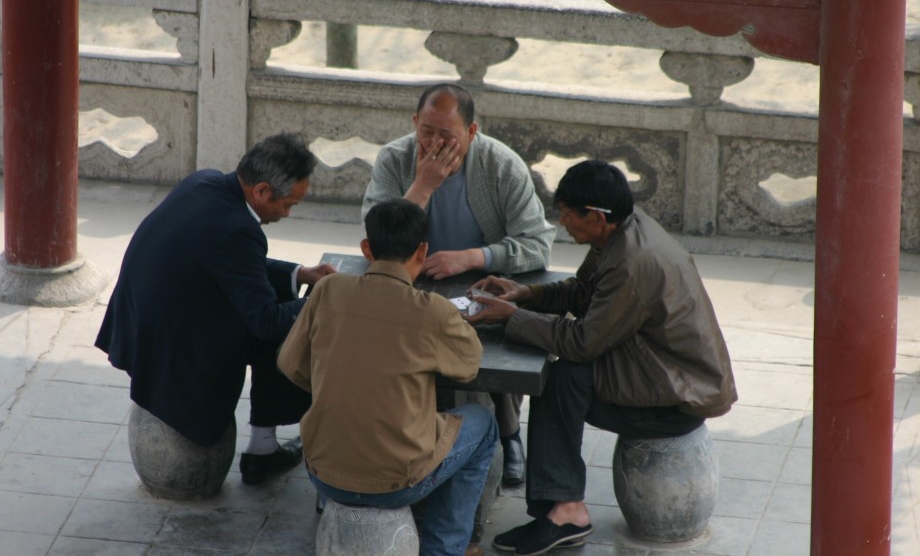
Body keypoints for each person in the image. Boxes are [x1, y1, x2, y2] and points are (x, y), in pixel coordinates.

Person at [467, 159, 738, 556]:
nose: (562, 223)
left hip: (675, 397)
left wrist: (513, 318)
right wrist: (526, 294)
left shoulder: (633, 263)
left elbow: (582, 341)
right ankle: (562, 506)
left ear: (594, 216)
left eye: (567, 215)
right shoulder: (622, 231)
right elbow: (583, 292)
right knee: (564, 373)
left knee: (561, 379)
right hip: (654, 367)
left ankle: (565, 511)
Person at [95, 133, 335, 486]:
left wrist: (300, 274)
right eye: (288, 204)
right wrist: (322, 300)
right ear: (262, 191)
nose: (287, 213)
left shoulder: (203, 182)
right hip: (175, 352)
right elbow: (266, 322)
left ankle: (263, 449)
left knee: (283, 305)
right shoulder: (239, 230)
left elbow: (229, 264)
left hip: (140, 330)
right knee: (290, 325)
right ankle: (263, 448)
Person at [278, 199, 498, 556]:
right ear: (423, 251)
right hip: (397, 482)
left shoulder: (328, 290)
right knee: (484, 426)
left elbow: (292, 365)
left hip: (322, 469)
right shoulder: (434, 311)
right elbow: (469, 365)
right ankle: (444, 549)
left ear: (367, 248)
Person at [362, 83, 555, 485]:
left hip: (479, 286)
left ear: (471, 132)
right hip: (414, 285)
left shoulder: (502, 165)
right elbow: (377, 239)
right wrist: (423, 185)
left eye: (447, 135)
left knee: (500, 339)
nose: (435, 143)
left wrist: (474, 257)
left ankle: (509, 432)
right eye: (426, 131)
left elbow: (537, 244)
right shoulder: (395, 159)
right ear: (415, 123)